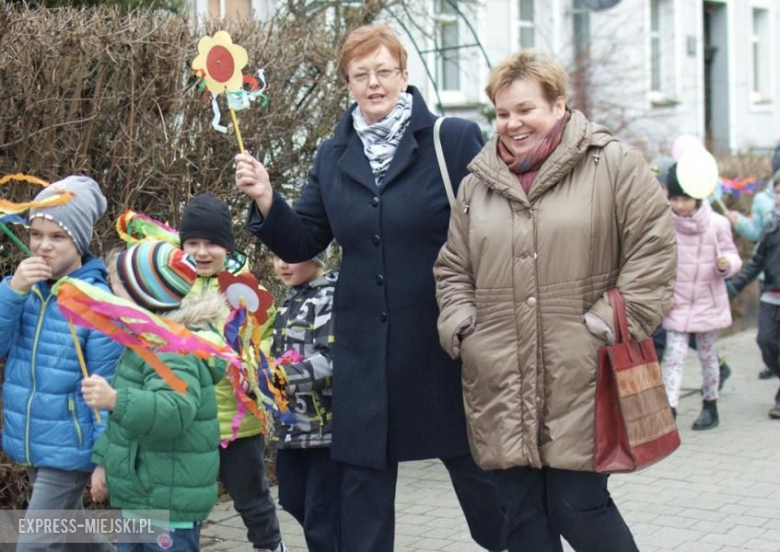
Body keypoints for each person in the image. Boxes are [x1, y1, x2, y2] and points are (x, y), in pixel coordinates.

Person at [234, 22, 507, 552]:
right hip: (364, 352)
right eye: (361, 75)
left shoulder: (451, 140)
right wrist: (268, 198)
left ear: (405, 75)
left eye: (384, 71)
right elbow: (304, 239)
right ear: (348, 84)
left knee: (483, 483)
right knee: (362, 499)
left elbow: (494, 228)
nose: (374, 83)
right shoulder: (333, 154)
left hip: (443, 340)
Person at [434, 50, 677, 552]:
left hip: (584, 372)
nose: (513, 123)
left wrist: (605, 323)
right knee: (520, 518)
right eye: (502, 113)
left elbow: (653, 251)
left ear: (559, 105)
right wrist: (464, 329)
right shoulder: (476, 184)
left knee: (578, 508)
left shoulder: (613, 165)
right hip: (500, 375)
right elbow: (453, 268)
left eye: (526, 109)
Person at [0, 175, 122, 552]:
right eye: (36, 234)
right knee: (75, 533)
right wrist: (12, 293)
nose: (43, 246)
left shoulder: (96, 302)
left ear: (79, 242)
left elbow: (106, 383)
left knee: (35, 543)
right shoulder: (24, 288)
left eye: (57, 237)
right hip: (35, 438)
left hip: (73, 445)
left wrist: (103, 459)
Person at [84, 240, 226, 552]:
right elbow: (126, 425)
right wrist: (103, 463)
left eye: (117, 285)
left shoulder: (173, 348)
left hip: (168, 506)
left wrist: (114, 400)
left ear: (142, 296)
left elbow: (175, 410)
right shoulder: (143, 341)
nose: (109, 291)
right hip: (141, 495)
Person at [179, 192, 286, 552]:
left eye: (212, 243)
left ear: (227, 246)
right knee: (186, 504)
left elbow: (268, 340)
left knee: (252, 500)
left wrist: (250, 368)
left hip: (238, 424)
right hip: (188, 420)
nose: (202, 251)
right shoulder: (169, 287)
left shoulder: (247, 291)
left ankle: (270, 546)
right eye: (192, 242)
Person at [661, 164, 741, 429]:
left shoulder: (717, 224)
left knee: (708, 357)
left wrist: (726, 264)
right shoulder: (664, 224)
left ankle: (710, 404)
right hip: (677, 302)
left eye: (685, 198)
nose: (679, 205)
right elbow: (658, 263)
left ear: (697, 197)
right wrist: (663, 294)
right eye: (674, 198)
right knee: (673, 357)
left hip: (708, 301)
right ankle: (669, 409)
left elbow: (733, 256)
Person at [270, 252, 339, 552]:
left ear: (317, 257)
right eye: (275, 256)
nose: (281, 264)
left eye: (291, 257)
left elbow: (334, 361)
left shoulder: (328, 296)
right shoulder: (289, 299)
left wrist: (281, 377)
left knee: (319, 521)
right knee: (291, 499)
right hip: (290, 431)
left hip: (324, 434)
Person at [727, 173, 780, 418]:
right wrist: (733, 289)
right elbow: (756, 262)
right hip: (771, 295)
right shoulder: (772, 227)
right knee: (765, 342)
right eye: (778, 192)